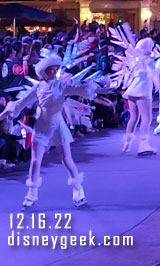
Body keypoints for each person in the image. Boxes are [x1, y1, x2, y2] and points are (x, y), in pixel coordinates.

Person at [0, 54, 97, 208]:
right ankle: (32, 192)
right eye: (52, 68)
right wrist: (6, 112)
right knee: (35, 160)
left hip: (58, 125)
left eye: (56, 68)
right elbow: (21, 103)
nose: (54, 70)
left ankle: (78, 190)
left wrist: (95, 88)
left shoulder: (61, 85)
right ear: (45, 70)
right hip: (42, 126)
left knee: (66, 159)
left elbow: (79, 90)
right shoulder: (38, 87)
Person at [122, 38, 160, 155]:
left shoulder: (134, 59)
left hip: (132, 89)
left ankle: (127, 143)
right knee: (146, 118)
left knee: (134, 117)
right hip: (142, 90)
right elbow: (152, 73)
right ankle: (143, 145)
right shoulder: (147, 60)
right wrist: (157, 84)